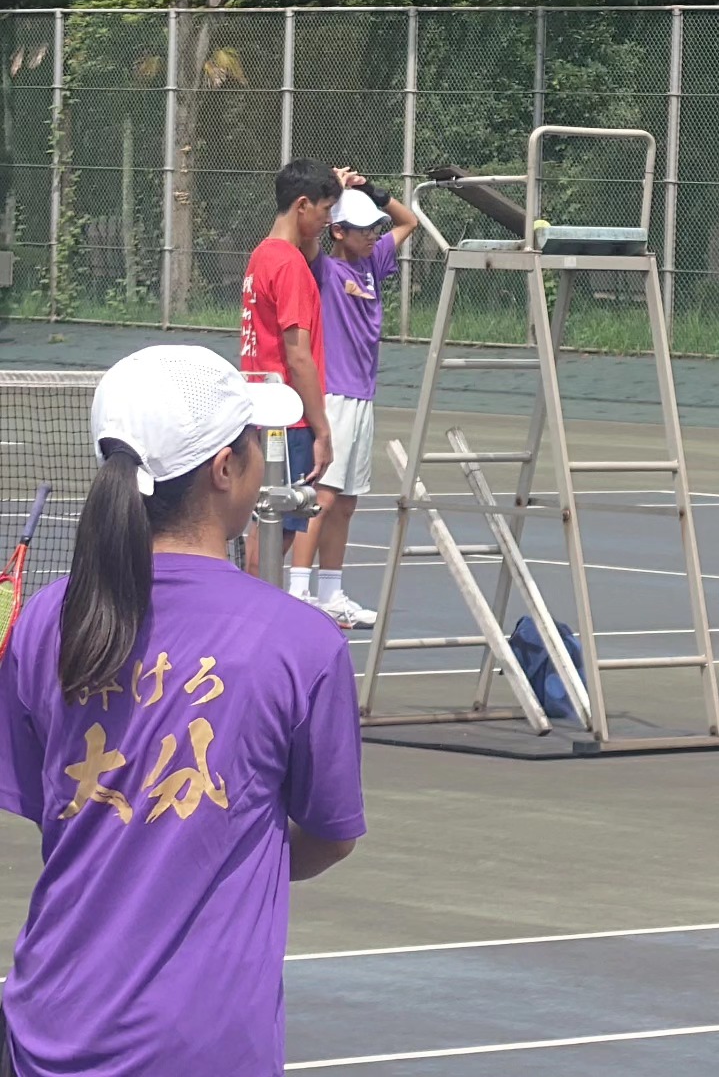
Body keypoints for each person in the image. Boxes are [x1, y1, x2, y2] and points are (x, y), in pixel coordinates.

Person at [0, 346, 365, 1076]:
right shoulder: (301, 643)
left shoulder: (44, 620)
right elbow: (330, 835)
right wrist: (222, 851)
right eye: (255, 443)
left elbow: (61, 812)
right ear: (225, 469)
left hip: (44, 1031)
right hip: (202, 1045)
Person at [287, 170, 419, 627]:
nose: (372, 235)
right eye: (362, 229)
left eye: (373, 228)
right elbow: (302, 237)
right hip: (333, 396)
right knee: (321, 498)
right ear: (338, 231)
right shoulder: (324, 269)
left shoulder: (373, 262)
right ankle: (299, 592)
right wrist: (331, 191)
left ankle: (330, 593)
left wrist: (371, 193)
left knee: (345, 502)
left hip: (363, 397)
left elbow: (408, 221)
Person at [239, 158, 342, 578]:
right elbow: (298, 356)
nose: (328, 221)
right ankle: (249, 610)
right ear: (302, 205)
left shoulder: (263, 255)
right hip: (288, 422)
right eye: (324, 210)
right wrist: (322, 430)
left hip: (260, 412)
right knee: (274, 532)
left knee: (265, 525)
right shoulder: (288, 265)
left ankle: (249, 605)